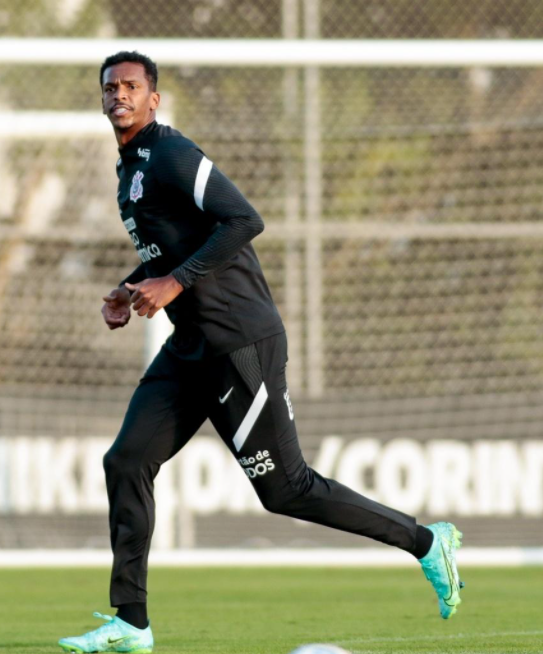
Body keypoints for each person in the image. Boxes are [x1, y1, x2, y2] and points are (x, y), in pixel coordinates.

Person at [58, 51, 464, 654]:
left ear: (153, 99)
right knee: (125, 462)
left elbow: (243, 220)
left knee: (287, 490)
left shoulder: (171, 152)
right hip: (191, 346)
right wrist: (133, 284)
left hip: (240, 344)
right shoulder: (129, 168)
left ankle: (427, 543)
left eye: (131, 86)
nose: (119, 94)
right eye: (110, 87)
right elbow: (175, 246)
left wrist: (172, 283)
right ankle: (132, 624)